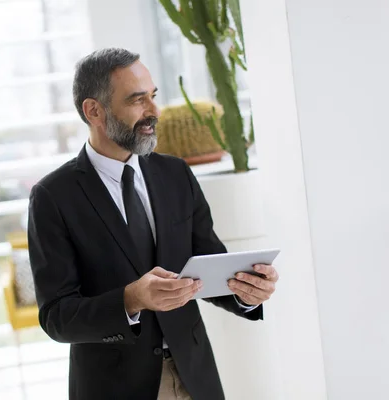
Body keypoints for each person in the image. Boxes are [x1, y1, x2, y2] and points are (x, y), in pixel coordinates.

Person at [26, 48, 279, 400]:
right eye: (137, 100)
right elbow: (57, 316)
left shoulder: (175, 174)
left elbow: (207, 264)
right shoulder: (53, 197)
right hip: (114, 387)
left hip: (195, 376)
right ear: (93, 110)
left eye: (153, 97)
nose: (153, 112)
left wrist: (246, 292)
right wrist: (131, 299)